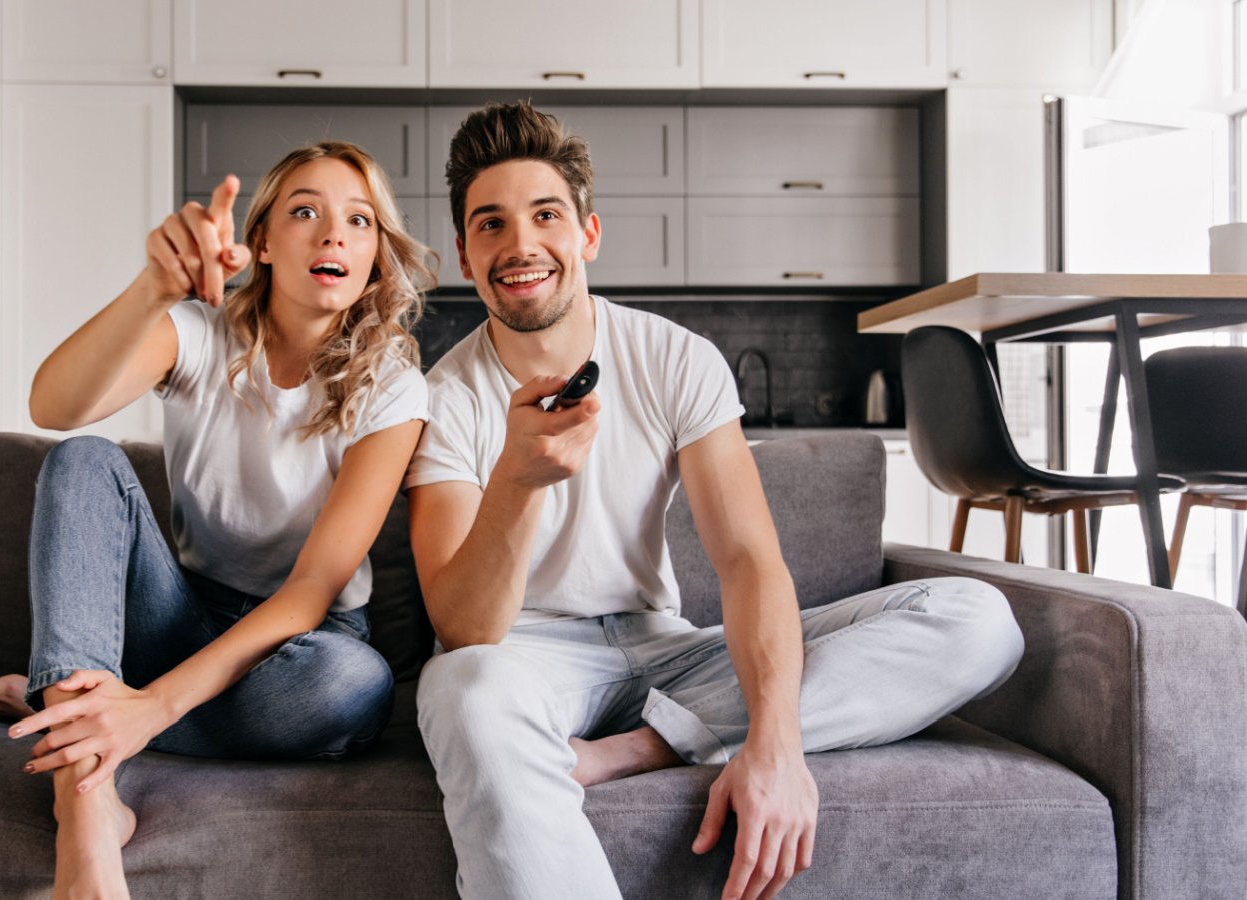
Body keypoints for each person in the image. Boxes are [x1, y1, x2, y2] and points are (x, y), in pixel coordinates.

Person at [404, 101, 1025, 900]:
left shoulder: (674, 357)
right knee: (462, 688)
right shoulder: (444, 397)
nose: (520, 244)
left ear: (588, 234)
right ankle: (640, 738)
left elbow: (746, 559)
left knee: (977, 618)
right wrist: (518, 480)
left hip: (668, 651)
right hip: (530, 663)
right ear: (464, 253)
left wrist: (775, 743)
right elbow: (464, 628)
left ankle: (642, 747)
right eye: (490, 225)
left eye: (545, 215)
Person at [0, 141, 436, 900]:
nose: (333, 235)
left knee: (355, 687)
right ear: (265, 242)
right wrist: (152, 287)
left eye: (360, 221)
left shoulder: (395, 389)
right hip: (179, 617)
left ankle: (61, 700)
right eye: (304, 212)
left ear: (377, 255)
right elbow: (54, 408)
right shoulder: (200, 334)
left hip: (300, 646)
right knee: (82, 459)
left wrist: (152, 708)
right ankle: (85, 812)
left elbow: (311, 592)